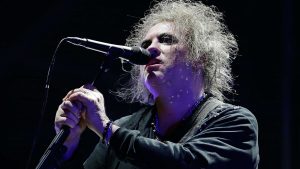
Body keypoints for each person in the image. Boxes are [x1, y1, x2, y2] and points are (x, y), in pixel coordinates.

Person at [54, 0, 260, 169]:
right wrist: (66, 145)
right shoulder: (126, 126)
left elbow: (186, 163)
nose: (150, 49)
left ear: (201, 57)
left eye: (166, 40)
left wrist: (107, 129)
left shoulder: (235, 122)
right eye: (144, 44)